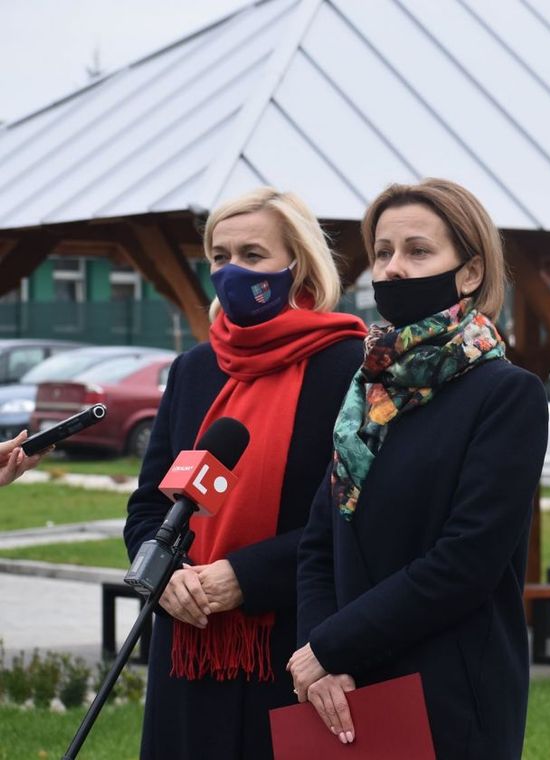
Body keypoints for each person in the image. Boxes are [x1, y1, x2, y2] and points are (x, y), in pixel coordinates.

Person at [288, 178, 547, 759]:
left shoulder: (506, 395)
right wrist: (321, 660)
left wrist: (333, 646)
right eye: (383, 253)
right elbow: (318, 545)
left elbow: (467, 560)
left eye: (418, 251)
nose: (394, 268)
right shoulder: (367, 392)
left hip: (450, 699)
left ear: (472, 272)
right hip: (344, 694)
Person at [123, 187, 366, 760]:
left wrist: (244, 576)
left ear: (297, 264)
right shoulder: (193, 370)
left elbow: (353, 520)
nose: (232, 271)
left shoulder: (348, 368)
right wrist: (168, 574)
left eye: (253, 256)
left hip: (293, 646)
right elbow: (147, 507)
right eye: (220, 256)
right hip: (188, 647)